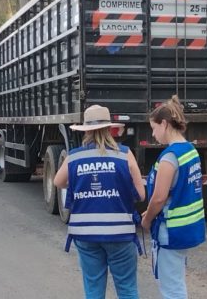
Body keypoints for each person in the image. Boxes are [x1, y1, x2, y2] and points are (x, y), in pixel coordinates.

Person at [54, 105, 145, 299]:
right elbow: (141, 194)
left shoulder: (74, 156)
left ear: (86, 130)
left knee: (94, 289)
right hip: (120, 234)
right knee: (127, 289)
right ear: (109, 129)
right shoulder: (124, 154)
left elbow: (58, 182)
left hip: (85, 234)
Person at [141, 95, 206, 299]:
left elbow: (159, 198)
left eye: (154, 128)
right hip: (187, 228)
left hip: (170, 230)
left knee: (172, 288)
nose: (153, 134)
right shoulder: (190, 151)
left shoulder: (170, 158)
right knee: (176, 281)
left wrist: (147, 219)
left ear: (165, 124)